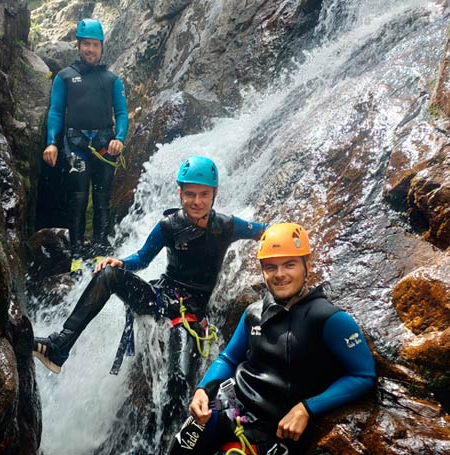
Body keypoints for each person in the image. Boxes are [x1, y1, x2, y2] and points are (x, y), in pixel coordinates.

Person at [33, 155, 268, 445]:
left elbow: (264, 231)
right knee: (108, 274)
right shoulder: (169, 226)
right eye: (190, 194)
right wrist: (119, 262)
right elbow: (142, 259)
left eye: (204, 194)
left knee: (178, 382)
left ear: (214, 194)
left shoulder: (228, 226)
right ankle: (59, 346)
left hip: (191, 312)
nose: (196, 201)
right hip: (160, 298)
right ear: (180, 193)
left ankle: (168, 441)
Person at [168, 222, 376, 455]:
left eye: (289, 265)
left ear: (308, 263)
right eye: (270, 267)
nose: (279, 275)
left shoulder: (329, 319)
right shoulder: (254, 313)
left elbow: (363, 375)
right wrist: (203, 390)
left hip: (271, 430)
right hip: (226, 407)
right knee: (178, 449)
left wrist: (306, 409)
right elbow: (228, 358)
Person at [41, 18, 128, 268]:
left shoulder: (112, 80)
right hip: (76, 146)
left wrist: (119, 139)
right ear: (78, 45)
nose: (91, 49)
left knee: (102, 199)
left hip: (104, 146)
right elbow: (56, 112)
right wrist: (52, 143)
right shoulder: (65, 77)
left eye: (95, 45)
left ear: (102, 48)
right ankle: (77, 255)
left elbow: (121, 113)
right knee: (78, 198)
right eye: (86, 44)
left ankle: (101, 249)